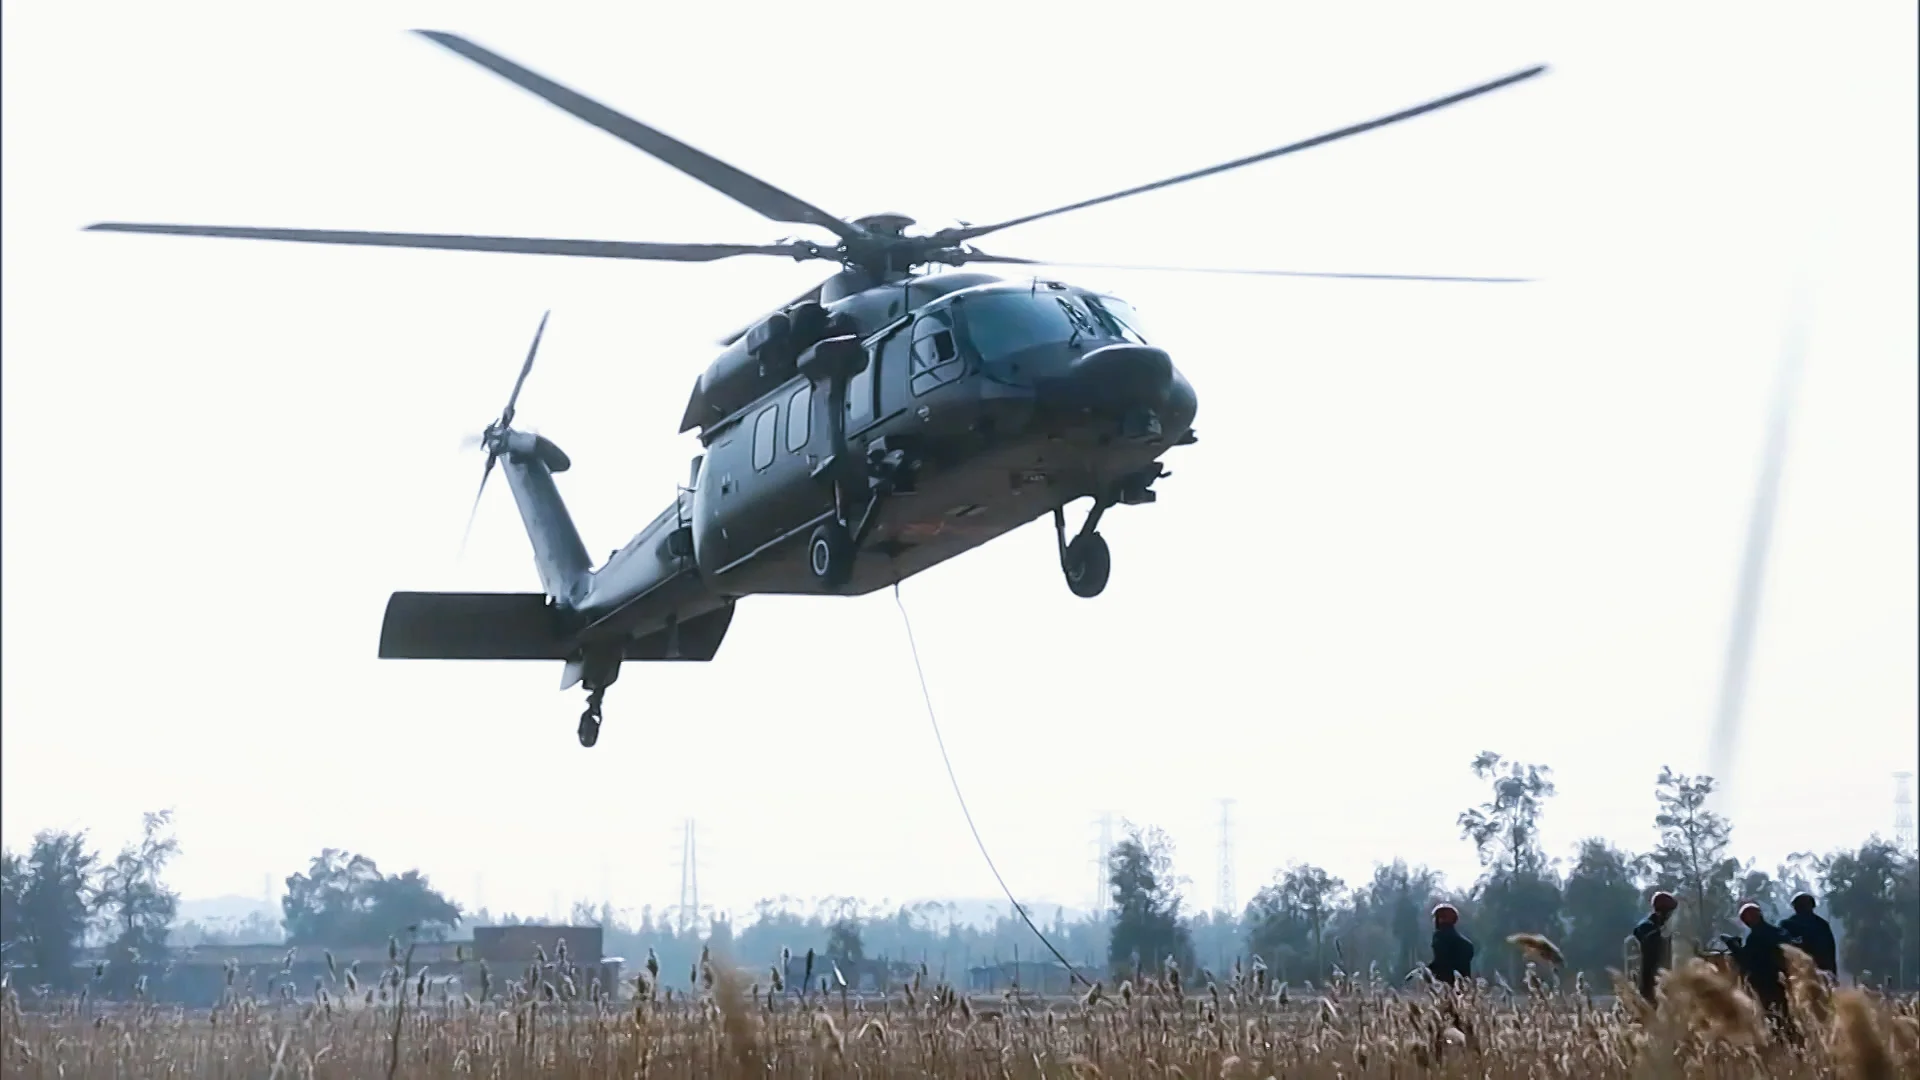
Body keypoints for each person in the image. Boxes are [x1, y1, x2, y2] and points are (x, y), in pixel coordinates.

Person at [1722, 902, 1799, 1044]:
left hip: (1765, 983)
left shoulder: (1756, 937)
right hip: (1781, 981)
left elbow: (1747, 960)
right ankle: (1794, 1043)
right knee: (1784, 1015)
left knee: (1773, 1017)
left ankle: (1783, 1044)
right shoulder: (1778, 932)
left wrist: (1733, 945)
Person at [1630, 891, 1679, 1002]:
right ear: (1662, 912)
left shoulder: (1665, 927)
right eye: (1670, 913)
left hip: (1665, 980)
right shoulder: (1646, 926)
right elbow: (1641, 934)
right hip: (1650, 981)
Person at [1779, 893, 1838, 978]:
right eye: (1801, 904)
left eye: (1805, 904)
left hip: (1819, 970)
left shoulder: (1821, 925)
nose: (1803, 907)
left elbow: (1829, 950)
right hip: (1798, 971)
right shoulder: (1788, 925)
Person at [1428, 903, 1475, 986]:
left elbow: (1440, 960)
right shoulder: (1465, 943)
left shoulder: (1439, 937)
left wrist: (1426, 971)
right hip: (1463, 986)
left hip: (1445, 984)